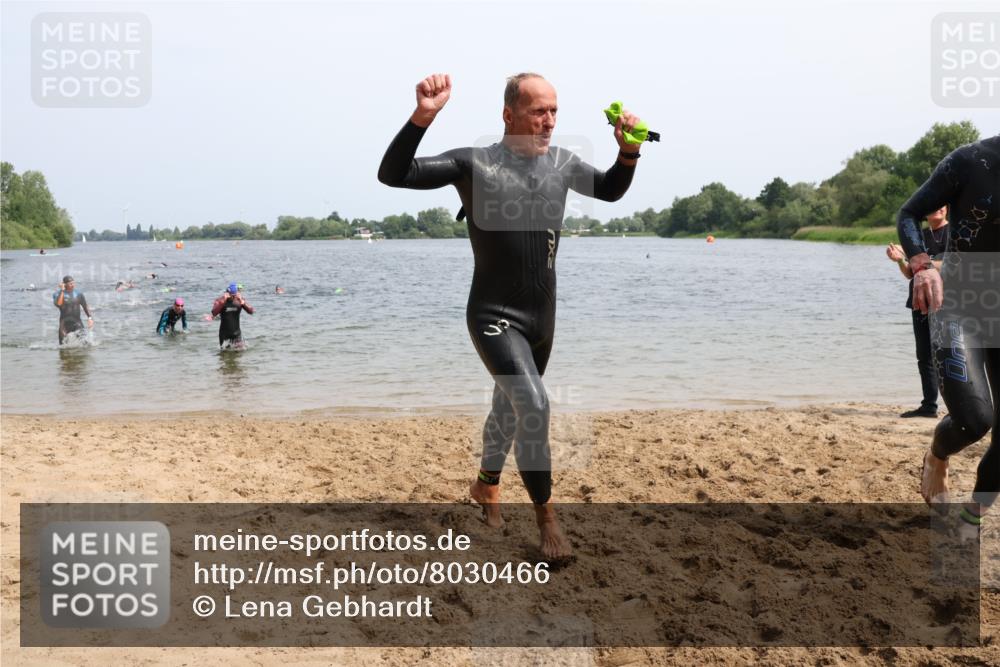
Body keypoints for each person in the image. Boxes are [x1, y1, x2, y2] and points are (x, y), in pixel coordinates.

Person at [378, 73, 642, 559]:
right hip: (493, 314)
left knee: (510, 404)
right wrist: (423, 118)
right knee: (535, 405)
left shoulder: (562, 164)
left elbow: (609, 190)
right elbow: (394, 174)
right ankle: (548, 521)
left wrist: (627, 153)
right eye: (539, 111)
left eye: (554, 111)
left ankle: (486, 484)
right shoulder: (472, 163)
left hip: (543, 318)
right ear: (509, 115)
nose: (548, 122)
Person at [897, 135, 999, 537]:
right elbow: (910, 212)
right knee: (974, 421)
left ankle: (971, 518)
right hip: (958, 302)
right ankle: (937, 456)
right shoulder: (971, 160)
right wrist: (920, 263)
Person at [886, 205, 948, 418]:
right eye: (931, 207)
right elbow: (909, 274)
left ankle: (958, 407)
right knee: (924, 356)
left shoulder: (956, 232)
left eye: (940, 206)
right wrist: (900, 260)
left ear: (947, 209)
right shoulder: (918, 236)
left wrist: (925, 262)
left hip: (946, 302)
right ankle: (929, 406)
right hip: (919, 301)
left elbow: (954, 264)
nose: (936, 210)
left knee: (950, 353)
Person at [52, 275, 93, 345]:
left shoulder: (78, 294)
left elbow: (85, 306)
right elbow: (59, 304)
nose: (73, 285)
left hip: (77, 323)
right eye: (70, 283)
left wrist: (90, 318)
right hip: (64, 325)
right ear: (65, 284)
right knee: (62, 346)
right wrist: (62, 290)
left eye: (73, 283)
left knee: (86, 344)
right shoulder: (57, 294)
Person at [212, 282, 254, 348]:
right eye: (231, 295)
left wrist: (243, 303)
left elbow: (251, 311)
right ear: (227, 292)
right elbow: (214, 313)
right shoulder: (220, 300)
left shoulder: (239, 300)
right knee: (224, 355)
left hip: (236, 334)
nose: (233, 297)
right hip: (224, 334)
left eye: (234, 295)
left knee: (239, 355)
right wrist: (223, 301)